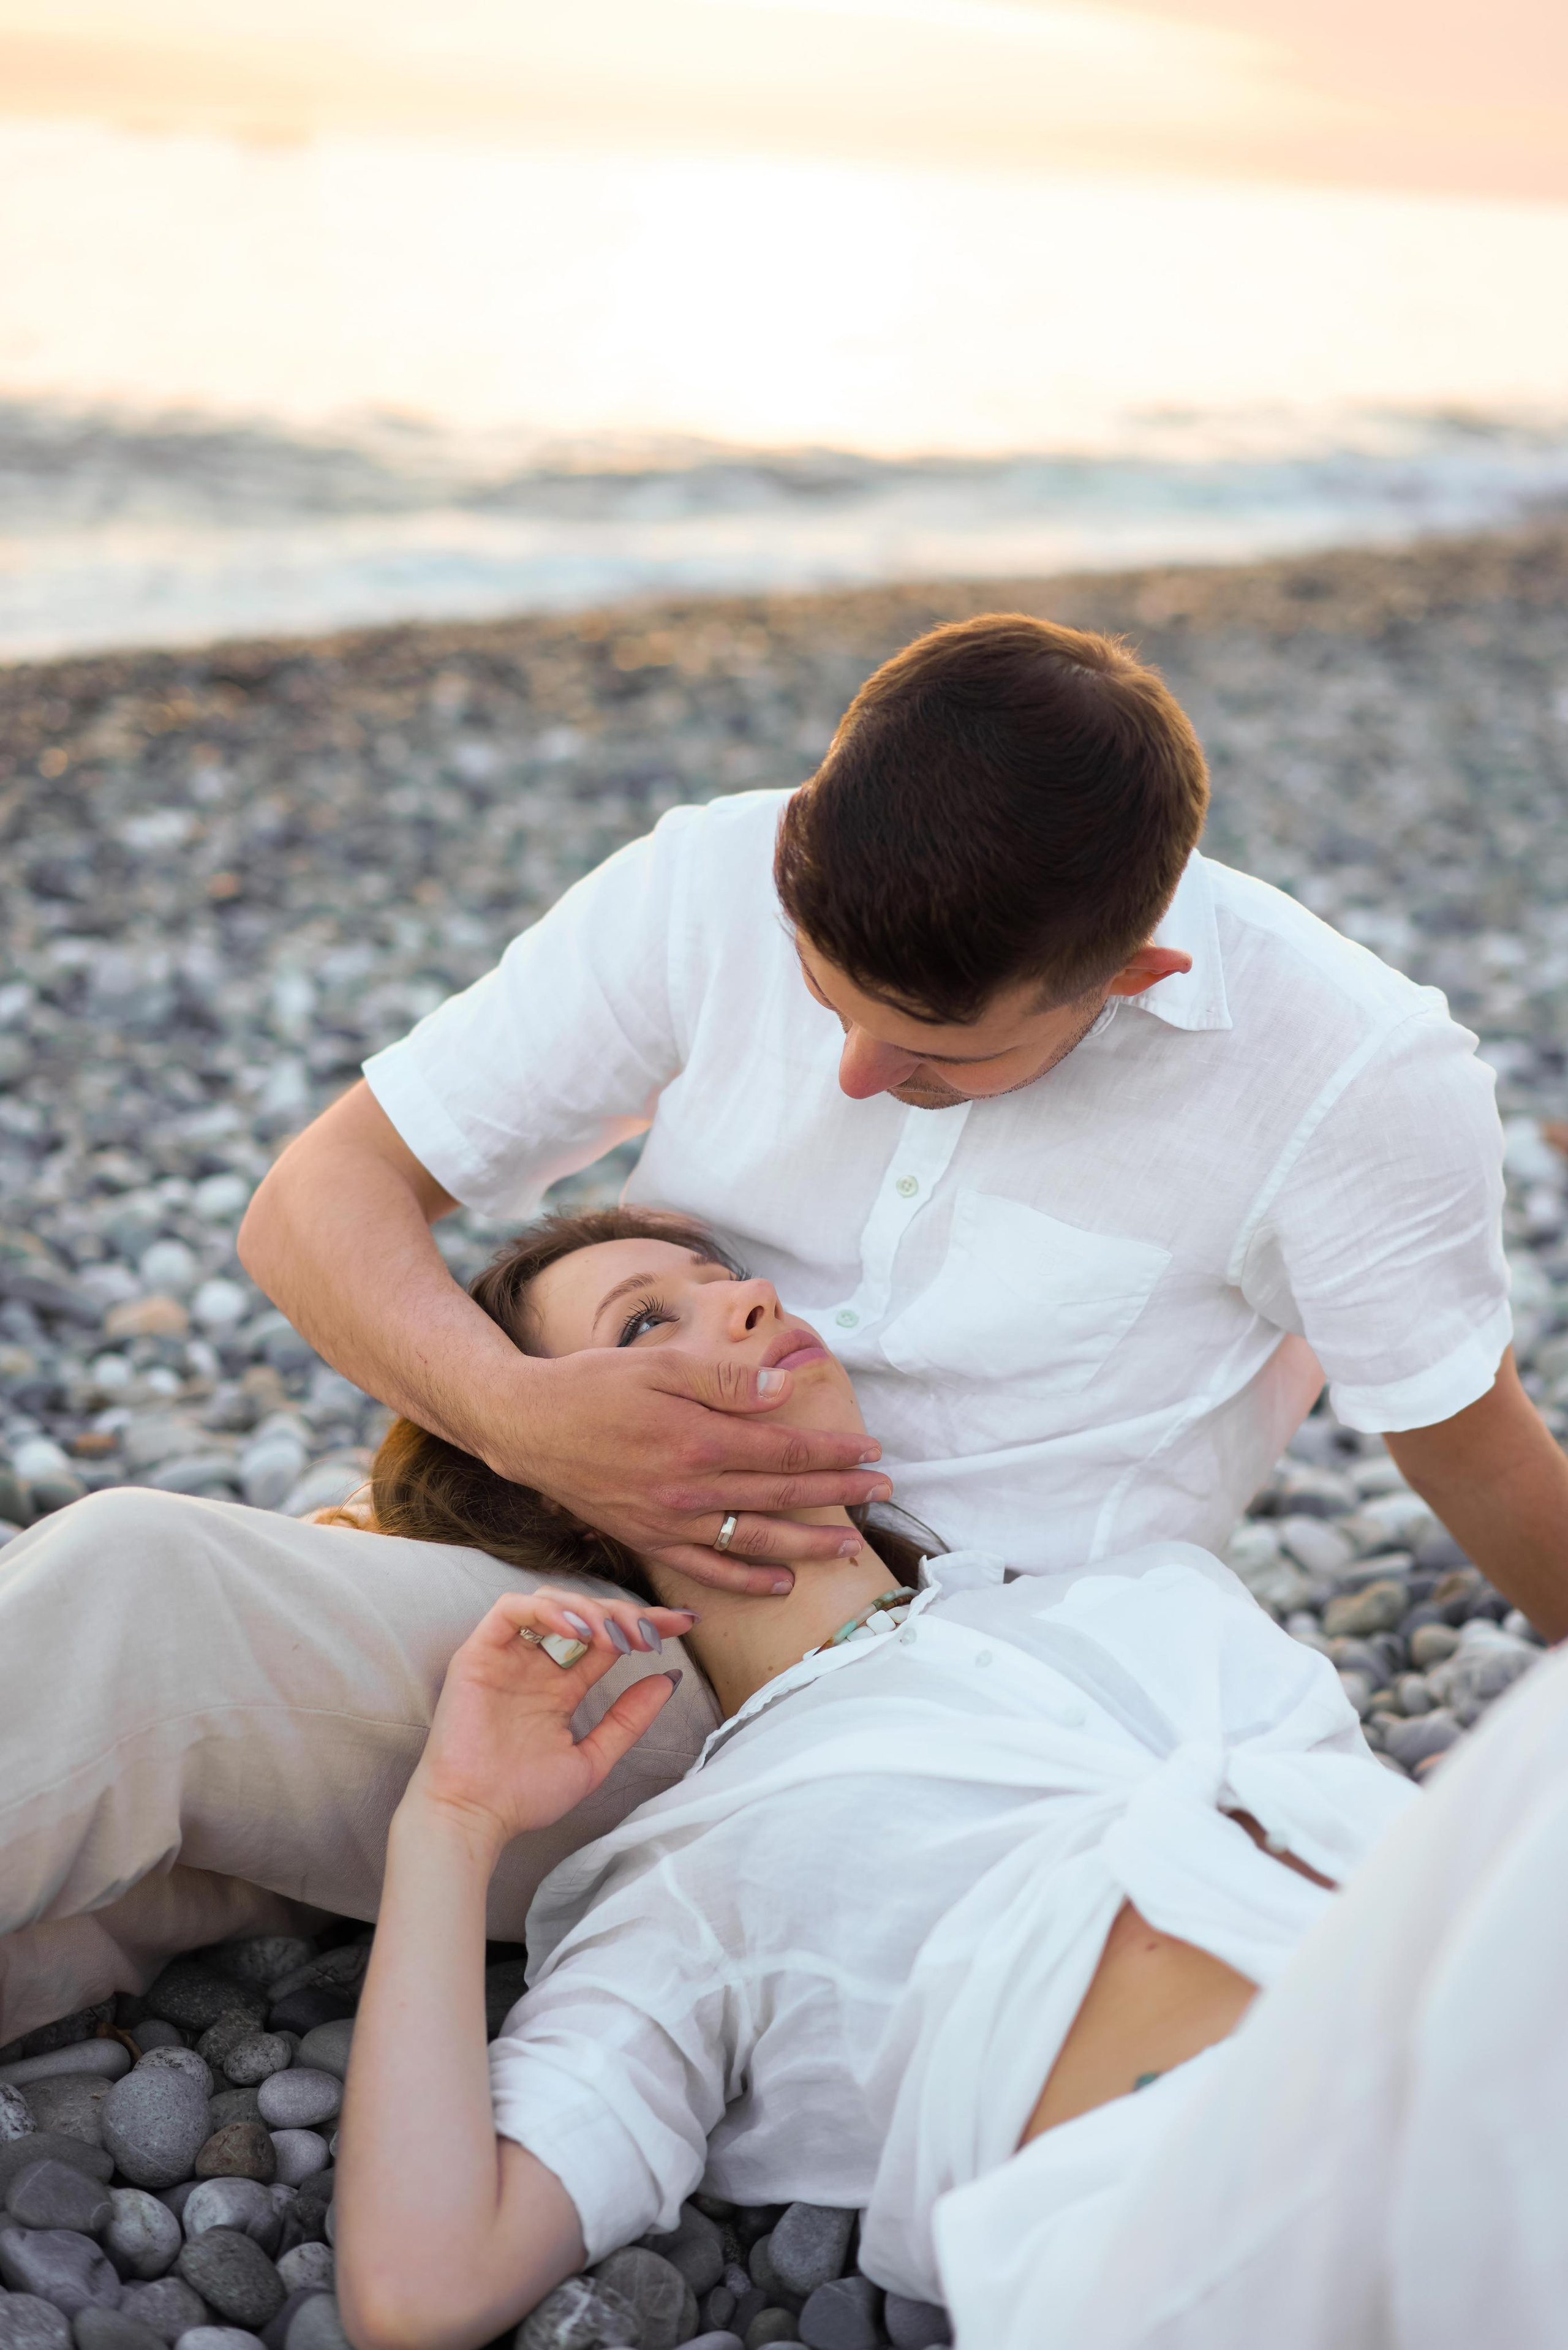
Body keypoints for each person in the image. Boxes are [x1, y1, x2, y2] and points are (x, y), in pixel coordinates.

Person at [5, 610, 1561, 2041]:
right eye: (830, 1007)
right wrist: (518, 1416)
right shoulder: (708, 880)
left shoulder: (1347, 1078)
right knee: (104, 1866)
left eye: (936, 1058)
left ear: (1129, 977)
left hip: (897, 1705)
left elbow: (1477, 1454)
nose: (856, 1080)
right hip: (564, 1578)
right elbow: (317, 1197)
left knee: (136, 1591)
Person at [332, 1208, 1566, 2350]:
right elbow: (424, 2281)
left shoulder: (1148, 1591)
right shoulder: (699, 1864)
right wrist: (450, 1817)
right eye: (647, 1320)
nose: (752, 1299)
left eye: (729, 1278)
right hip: (1214, 2201)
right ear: (546, 1468)